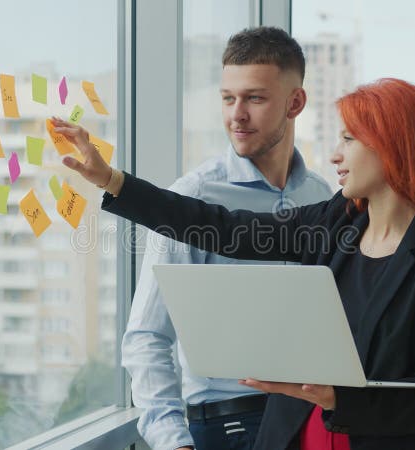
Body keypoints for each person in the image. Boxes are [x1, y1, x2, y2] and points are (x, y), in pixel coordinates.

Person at [53, 77, 415, 450]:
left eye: (349, 140)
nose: (336, 155)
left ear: (394, 148)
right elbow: (223, 227)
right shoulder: (337, 221)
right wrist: (112, 180)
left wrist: (340, 399)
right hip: (294, 437)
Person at [119, 27, 331, 450]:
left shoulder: (322, 197)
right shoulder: (193, 198)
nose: (236, 115)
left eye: (254, 98)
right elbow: (147, 336)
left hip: (316, 421)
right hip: (230, 429)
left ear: (295, 103)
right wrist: (172, 442)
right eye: (227, 98)